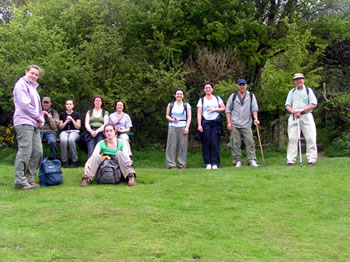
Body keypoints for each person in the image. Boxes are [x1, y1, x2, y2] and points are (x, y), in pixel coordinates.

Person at [13, 65, 44, 190]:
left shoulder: (33, 88)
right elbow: (25, 105)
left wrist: (40, 118)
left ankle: (29, 178)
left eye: (36, 75)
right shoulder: (21, 85)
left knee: (38, 152)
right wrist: (38, 117)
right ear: (26, 72)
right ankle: (20, 181)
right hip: (24, 122)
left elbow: (38, 107)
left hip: (34, 123)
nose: (34, 76)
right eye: (32, 73)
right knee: (25, 151)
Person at [225, 79, 260, 168]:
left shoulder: (251, 96)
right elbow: (228, 110)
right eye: (240, 85)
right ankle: (237, 161)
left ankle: (251, 160)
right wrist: (229, 123)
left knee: (250, 142)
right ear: (237, 86)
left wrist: (256, 119)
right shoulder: (233, 96)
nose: (242, 86)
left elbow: (254, 109)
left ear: (246, 86)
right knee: (235, 143)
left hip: (247, 123)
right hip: (234, 123)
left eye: (243, 85)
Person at [285, 73, 318, 166]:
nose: (299, 81)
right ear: (294, 81)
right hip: (294, 116)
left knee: (310, 137)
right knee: (292, 138)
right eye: (297, 79)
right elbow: (287, 105)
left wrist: (302, 110)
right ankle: (291, 159)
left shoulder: (308, 91)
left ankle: (311, 159)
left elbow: (313, 104)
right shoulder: (291, 92)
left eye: (300, 79)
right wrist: (294, 111)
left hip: (306, 115)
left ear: (303, 80)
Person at [197, 82, 225, 169]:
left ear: (212, 89)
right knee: (206, 142)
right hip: (205, 123)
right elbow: (199, 112)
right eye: (206, 88)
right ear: (204, 90)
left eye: (209, 87)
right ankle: (207, 163)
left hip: (216, 123)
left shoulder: (217, 98)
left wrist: (215, 109)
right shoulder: (201, 100)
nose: (208, 89)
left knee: (215, 142)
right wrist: (199, 125)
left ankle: (215, 163)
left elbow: (224, 108)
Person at [165, 88, 192, 168]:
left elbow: (189, 117)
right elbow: (167, 115)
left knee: (182, 146)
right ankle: (171, 165)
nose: (179, 95)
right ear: (175, 95)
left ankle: (182, 164)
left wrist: (187, 127)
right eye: (177, 94)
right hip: (172, 126)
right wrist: (172, 120)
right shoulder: (170, 104)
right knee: (171, 146)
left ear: (183, 96)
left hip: (183, 126)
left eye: (181, 94)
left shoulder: (186, 105)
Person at [58, 99, 81, 167]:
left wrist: (72, 120)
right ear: (65, 105)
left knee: (71, 139)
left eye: (70, 104)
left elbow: (78, 126)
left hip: (74, 132)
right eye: (67, 104)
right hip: (64, 131)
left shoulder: (76, 114)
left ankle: (75, 160)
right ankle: (64, 161)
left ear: (73, 105)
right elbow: (60, 127)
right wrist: (66, 121)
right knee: (63, 140)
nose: (69, 105)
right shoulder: (62, 114)